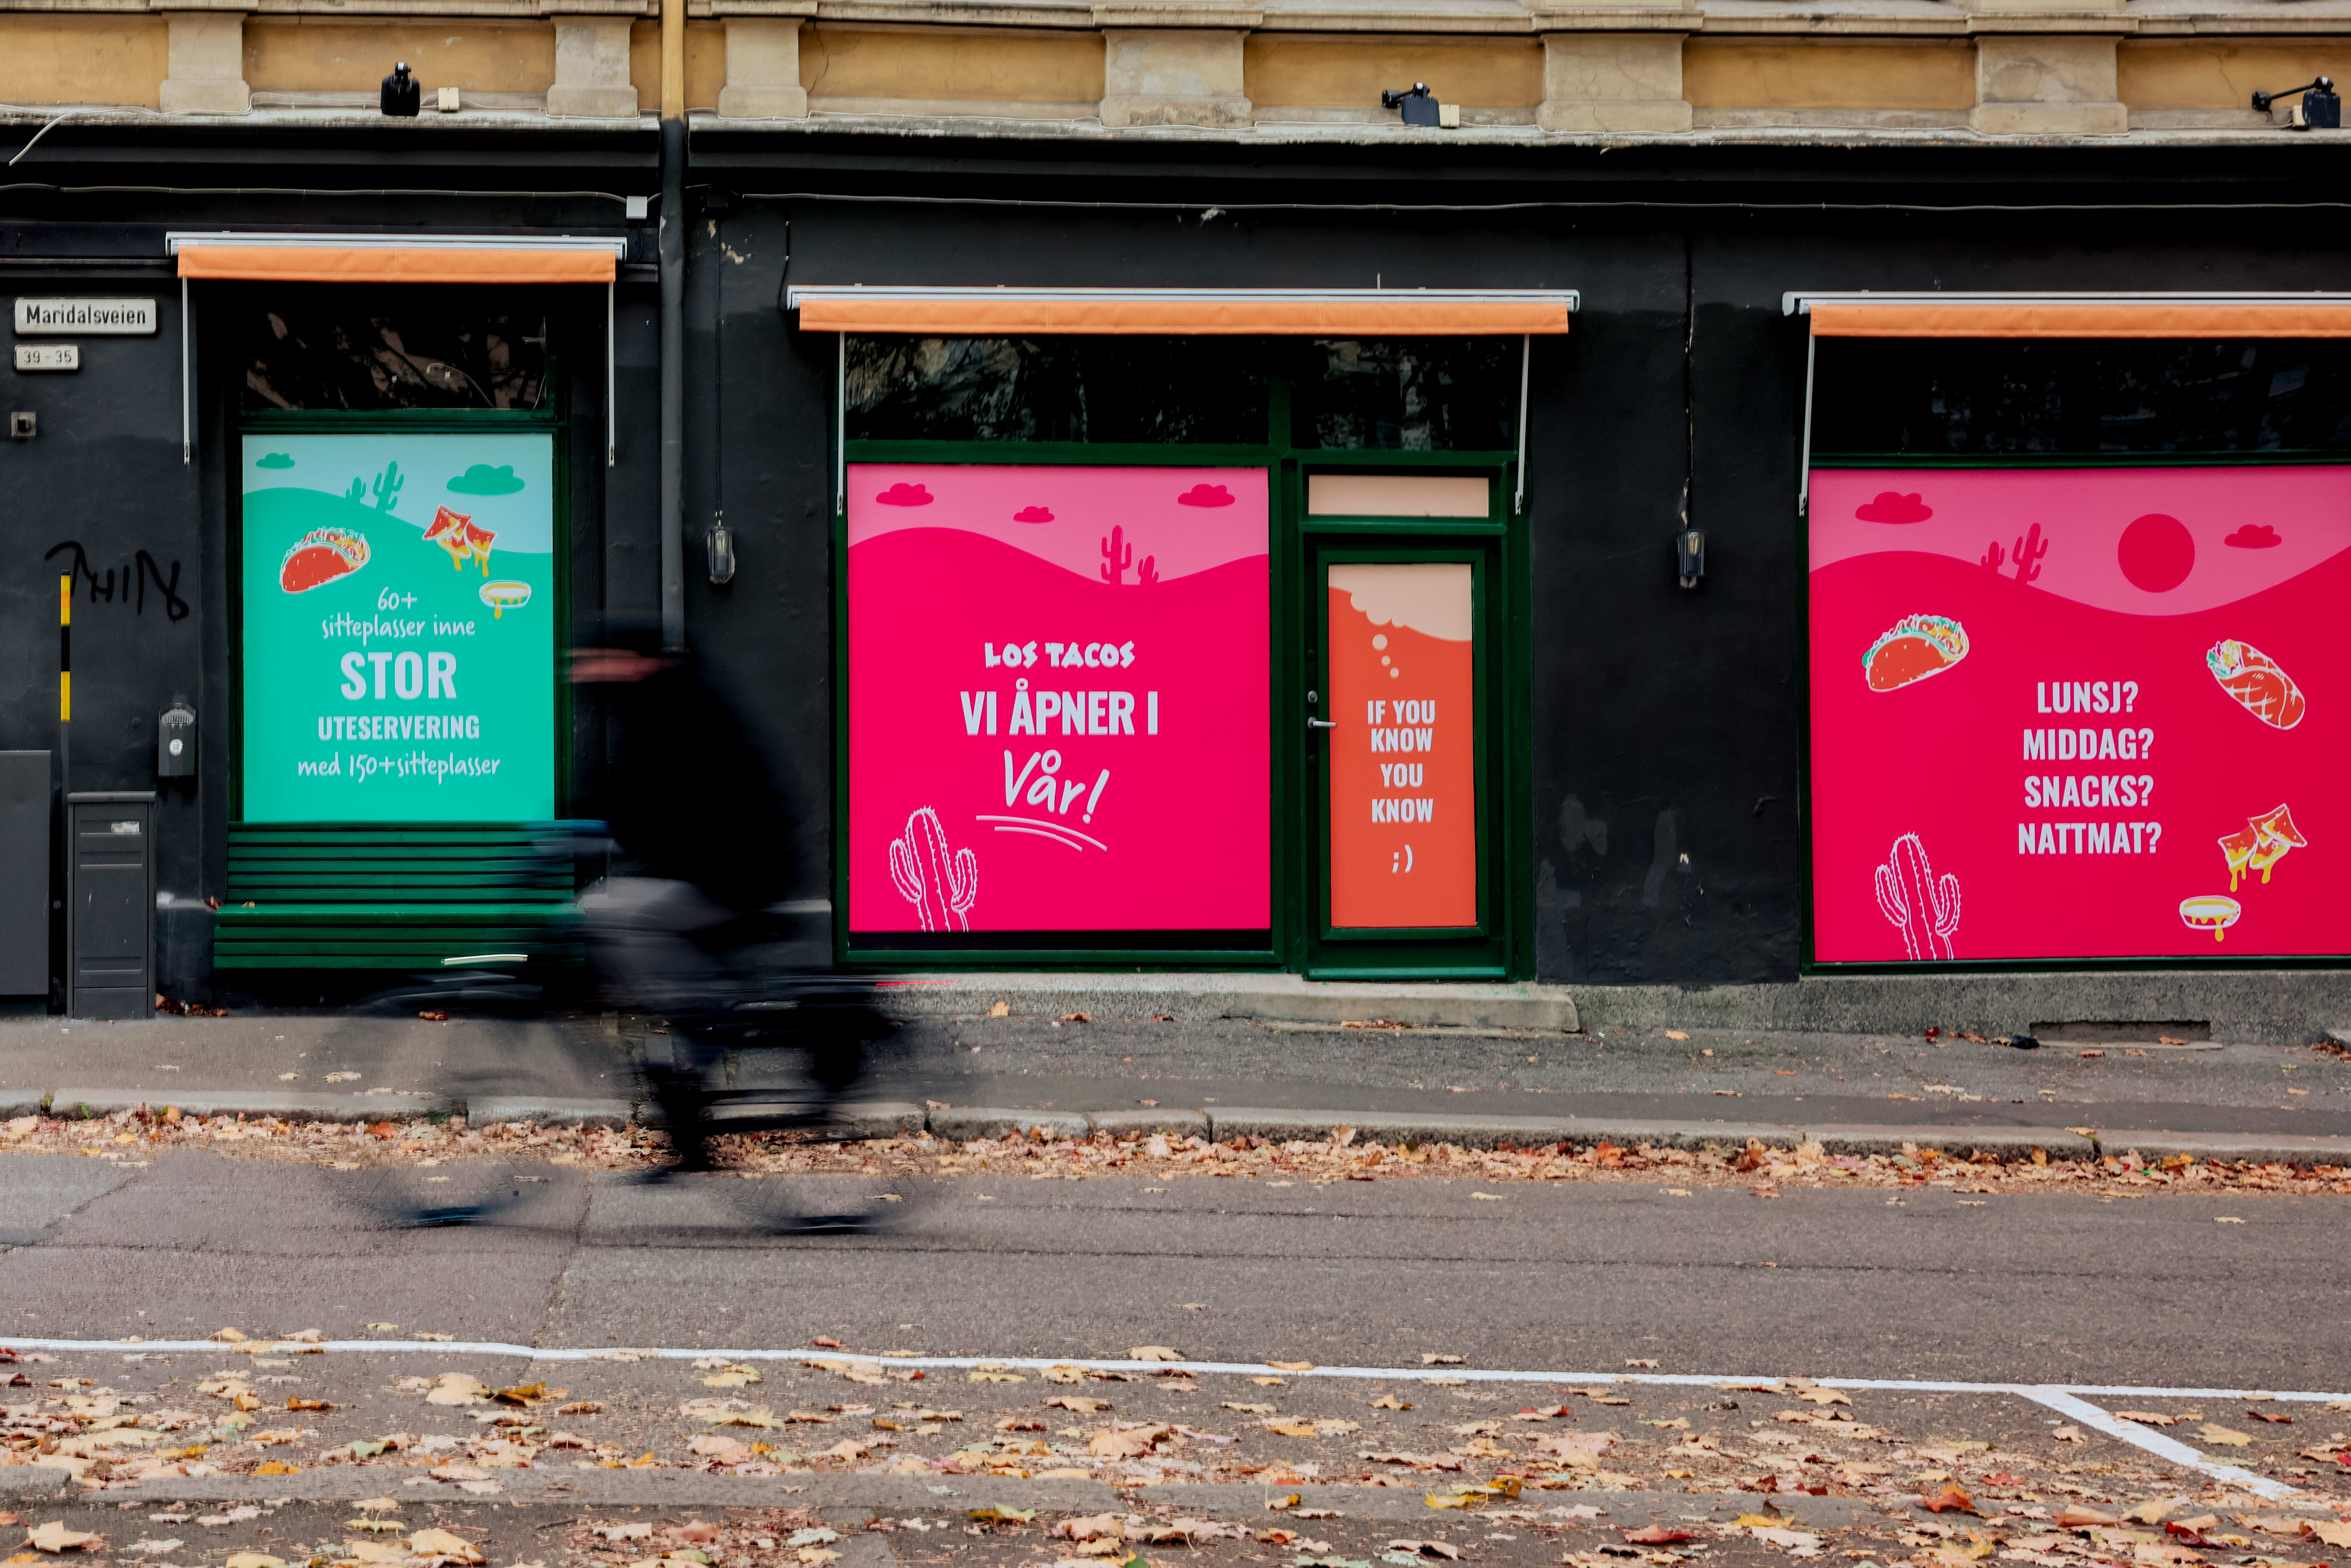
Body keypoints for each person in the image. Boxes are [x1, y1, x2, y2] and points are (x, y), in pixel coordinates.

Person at [572, 632, 849, 1174]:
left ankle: (696, 1019)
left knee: (613, 914)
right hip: (716, 871)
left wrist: (586, 830)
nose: (584, 671)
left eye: (597, 658)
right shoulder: (658, 701)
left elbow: (644, 796)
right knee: (636, 921)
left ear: (634, 660)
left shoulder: (677, 706)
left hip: (738, 876)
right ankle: (691, 1077)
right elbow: (629, 795)